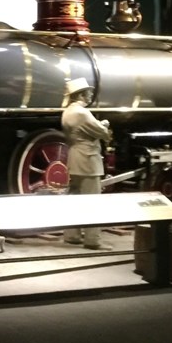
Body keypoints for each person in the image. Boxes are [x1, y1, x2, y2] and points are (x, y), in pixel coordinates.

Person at [61, 77, 114, 250]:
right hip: (88, 161)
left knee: (74, 200)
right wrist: (104, 125)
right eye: (88, 92)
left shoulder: (67, 112)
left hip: (74, 157)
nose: (91, 95)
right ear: (81, 95)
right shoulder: (82, 113)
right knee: (92, 202)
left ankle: (72, 235)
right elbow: (102, 133)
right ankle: (92, 240)